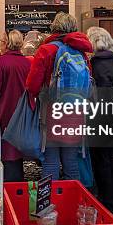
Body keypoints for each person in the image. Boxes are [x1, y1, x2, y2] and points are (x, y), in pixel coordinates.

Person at [26, 12, 93, 181]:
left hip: (52, 112)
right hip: (76, 111)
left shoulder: (46, 50)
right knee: (71, 159)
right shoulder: (80, 51)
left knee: (50, 159)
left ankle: (49, 202)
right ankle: (74, 201)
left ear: (54, 27)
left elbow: (32, 85)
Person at [86, 26, 113, 218]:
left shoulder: (96, 63)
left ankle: (108, 206)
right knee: (111, 162)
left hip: (101, 119)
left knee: (101, 163)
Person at [0, 30, 31, 182]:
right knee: (18, 150)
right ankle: (19, 186)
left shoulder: (1, 62)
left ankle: (9, 189)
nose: (0, 44)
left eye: (1, 41)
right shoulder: (28, 62)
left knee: (8, 151)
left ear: (6, 44)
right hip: (24, 112)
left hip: (5, 112)